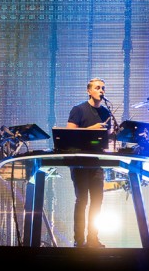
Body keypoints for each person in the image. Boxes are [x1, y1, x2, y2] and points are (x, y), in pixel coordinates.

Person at [66, 77, 111, 248]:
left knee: (97, 201)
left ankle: (93, 239)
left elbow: (107, 138)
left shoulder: (106, 113)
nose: (101, 91)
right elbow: (69, 134)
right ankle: (79, 240)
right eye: (98, 87)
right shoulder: (78, 110)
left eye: (103, 88)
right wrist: (91, 129)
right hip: (79, 161)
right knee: (82, 200)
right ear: (89, 91)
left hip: (96, 162)